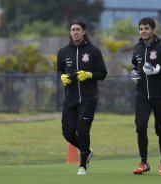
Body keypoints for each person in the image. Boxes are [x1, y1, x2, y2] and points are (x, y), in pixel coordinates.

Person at [57, 20, 107, 175]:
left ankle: (82, 165)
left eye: (78, 29)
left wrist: (89, 75)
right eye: (72, 29)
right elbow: (59, 70)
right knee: (67, 132)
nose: (75, 32)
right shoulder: (63, 52)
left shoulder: (93, 51)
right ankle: (87, 151)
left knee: (83, 130)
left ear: (84, 32)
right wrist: (62, 77)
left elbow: (102, 73)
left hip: (88, 99)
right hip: (70, 99)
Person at [130, 17, 161, 175]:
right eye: (141, 28)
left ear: (152, 30)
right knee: (141, 127)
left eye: (146, 28)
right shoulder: (137, 48)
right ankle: (144, 162)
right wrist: (134, 74)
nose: (143, 31)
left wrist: (158, 71)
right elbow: (135, 66)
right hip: (142, 95)